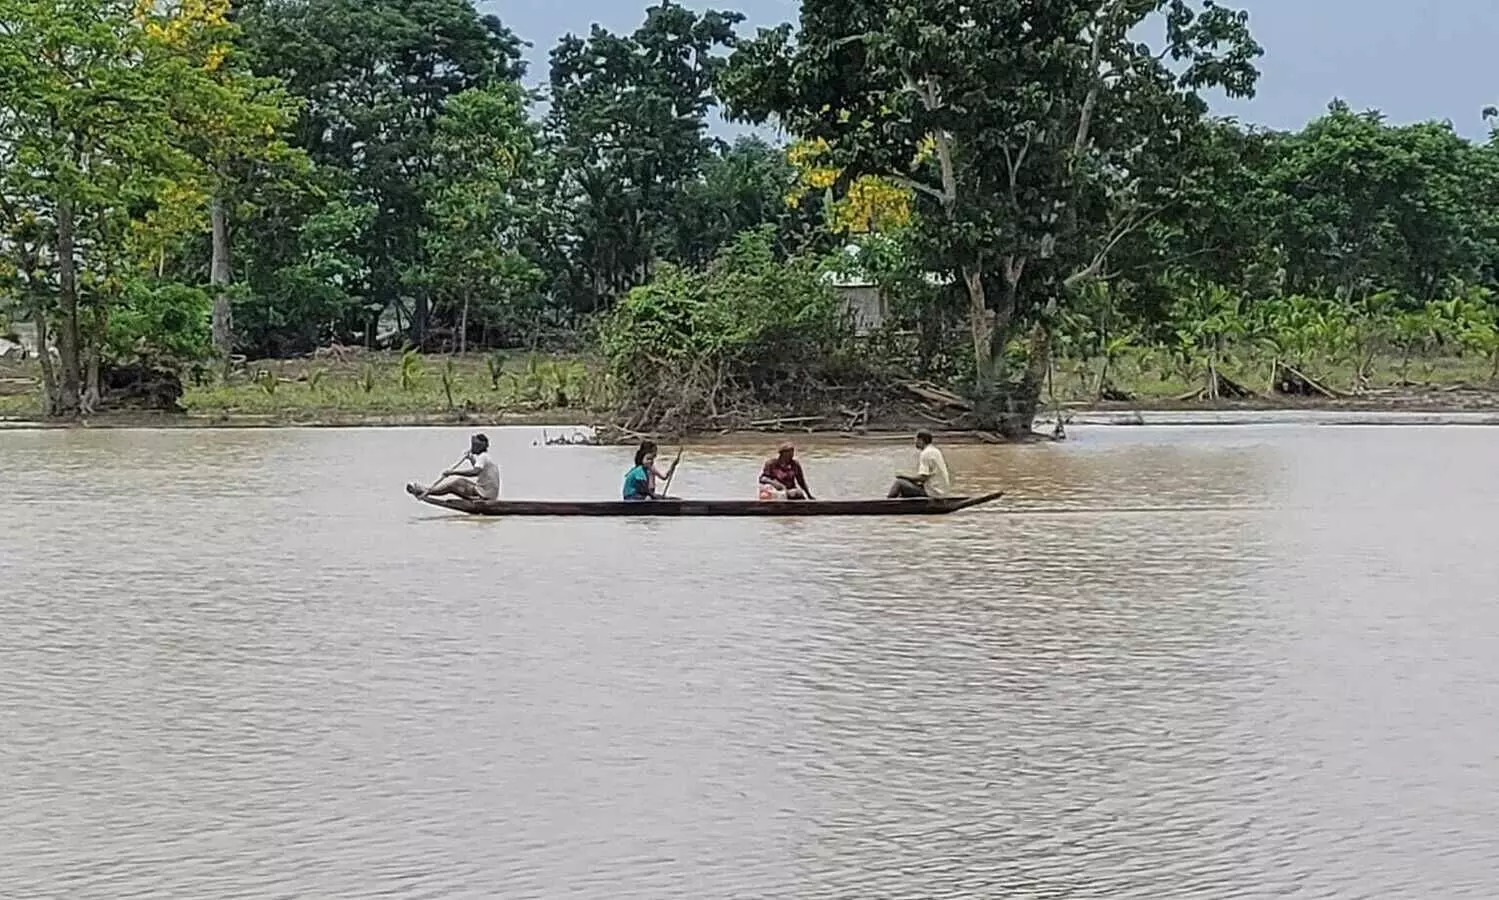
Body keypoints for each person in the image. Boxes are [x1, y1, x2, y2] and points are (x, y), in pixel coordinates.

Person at [410, 433, 501, 501]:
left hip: (484, 493)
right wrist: (471, 459)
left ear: (479, 446)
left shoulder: (483, 457)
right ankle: (427, 490)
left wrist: (452, 472)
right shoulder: (486, 457)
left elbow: (475, 472)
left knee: (455, 484)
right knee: (458, 483)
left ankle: (426, 491)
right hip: (489, 493)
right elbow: (480, 471)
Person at [888, 430, 952, 498]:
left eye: (916, 440)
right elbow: (927, 476)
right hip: (941, 491)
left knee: (899, 483)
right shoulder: (935, 451)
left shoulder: (925, 453)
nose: (915, 442)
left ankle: (887, 503)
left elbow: (923, 478)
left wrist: (903, 476)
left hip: (933, 492)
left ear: (921, 440)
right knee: (906, 485)